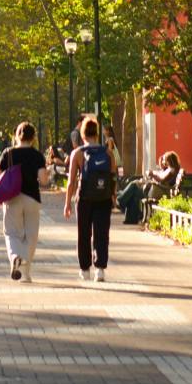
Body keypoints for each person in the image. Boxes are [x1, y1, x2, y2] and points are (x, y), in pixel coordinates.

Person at [63, 116, 118, 282]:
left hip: (84, 198)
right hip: (104, 198)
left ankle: (85, 269)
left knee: (84, 233)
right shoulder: (108, 153)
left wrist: (67, 203)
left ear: (83, 134)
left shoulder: (78, 153)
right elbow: (113, 176)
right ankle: (100, 269)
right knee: (102, 233)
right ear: (96, 134)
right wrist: (113, 196)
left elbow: (71, 181)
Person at [0, 121, 49, 281]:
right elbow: (43, 180)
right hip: (32, 197)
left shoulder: (8, 153)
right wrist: (47, 175)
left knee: (12, 233)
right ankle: (26, 273)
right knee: (31, 235)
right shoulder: (37, 155)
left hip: (12, 197)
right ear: (33, 137)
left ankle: (14, 257)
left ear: (17, 135)